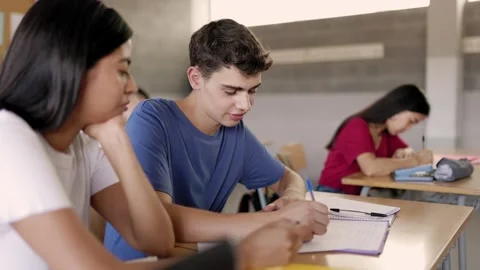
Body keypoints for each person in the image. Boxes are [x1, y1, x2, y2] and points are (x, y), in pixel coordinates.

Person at [0, 1, 312, 269]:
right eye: (122, 70)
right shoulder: (11, 139)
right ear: (73, 69)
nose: (132, 86)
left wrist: (117, 140)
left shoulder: (84, 146)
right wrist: (241, 255)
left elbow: (158, 240)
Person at [104, 18, 330, 261]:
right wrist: (274, 219)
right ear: (195, 78)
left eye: (252, 90)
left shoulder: (235, 133)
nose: (244, 105)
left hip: (196, 259)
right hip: (142, 263)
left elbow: (288, 177)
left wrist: (291, 199)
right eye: (231, 91)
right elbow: (158, 216)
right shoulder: (153, 118)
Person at [317, 84, 433, 195]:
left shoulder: (385, 133)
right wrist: (415, 161)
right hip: (333, 193)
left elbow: (408, 150)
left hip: (361, 195)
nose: (409, 128)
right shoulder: (357, 126)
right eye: (411, 121)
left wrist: (406, 153)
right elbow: (371, 168)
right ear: (396, 111)